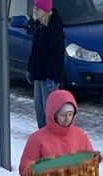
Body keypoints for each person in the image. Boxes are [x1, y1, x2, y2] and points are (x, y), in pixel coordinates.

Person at [19, 90, 103, 176]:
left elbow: (92, 170)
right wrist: (48, 173)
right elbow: (24, 168)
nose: (67, 119)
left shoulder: (80, 135)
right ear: (53, 114)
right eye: (63, 115)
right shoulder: (37, 139)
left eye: (70, 114)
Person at [26, 0, 64, 130]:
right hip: (38, 75)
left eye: (38, 9)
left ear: (46, 10)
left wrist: (52, 77)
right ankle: (42, 136)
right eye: (35, 8)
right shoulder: (39, 27)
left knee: (50, 110)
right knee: (39, 109)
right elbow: (35, 51)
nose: (35, 11)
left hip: (49, 78)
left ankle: (52, 136)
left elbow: (57, 55)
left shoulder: (55, 29)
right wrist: (31, 69)